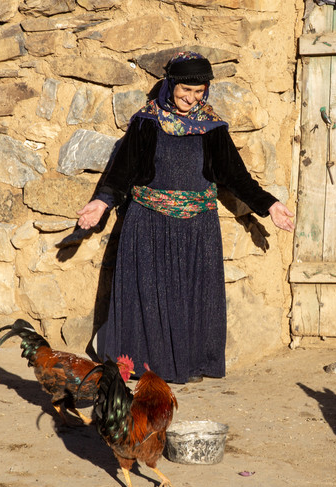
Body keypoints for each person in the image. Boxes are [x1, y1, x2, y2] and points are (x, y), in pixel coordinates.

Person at [77, 51, 294, 384]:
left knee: (192, 298)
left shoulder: (211, 127)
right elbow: (122, 172)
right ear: (170, 85)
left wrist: (270, 204)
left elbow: (235, 177)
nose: (190, 99)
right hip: (148, 223)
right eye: (184, 91)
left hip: (197, 227)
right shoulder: (146, 122)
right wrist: (101, 203)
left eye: (198, 92)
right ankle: (144, 370)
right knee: (147, 297)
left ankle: (189, 365)